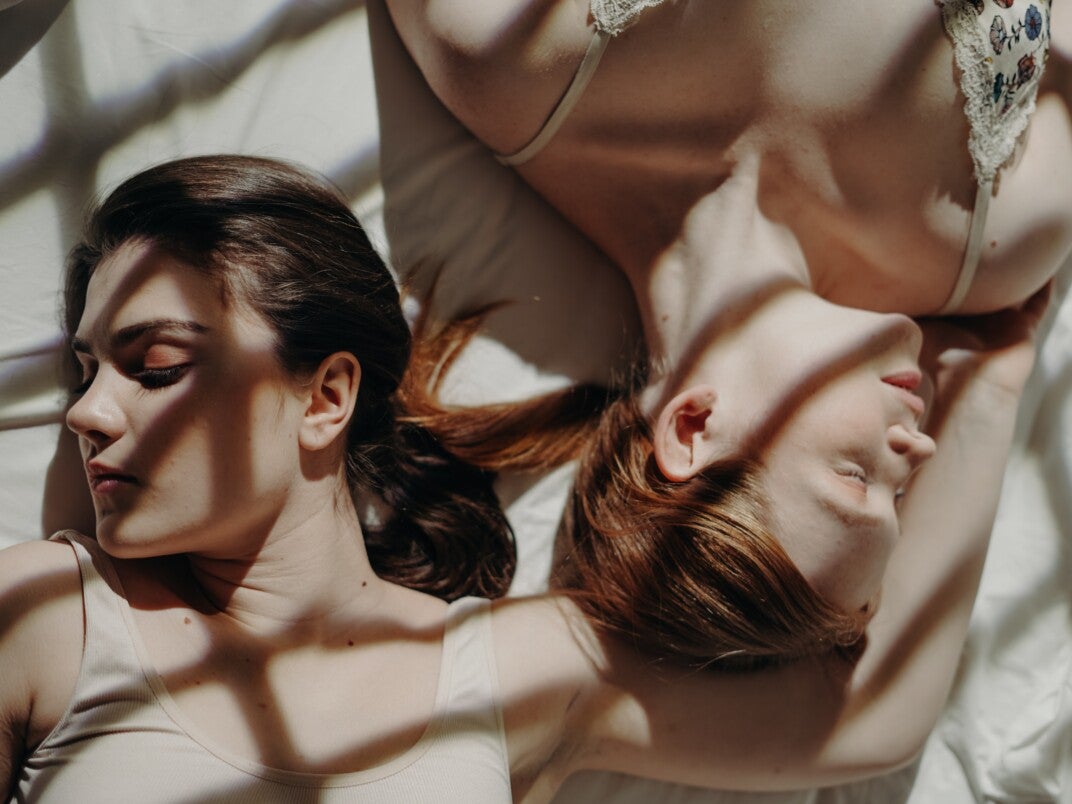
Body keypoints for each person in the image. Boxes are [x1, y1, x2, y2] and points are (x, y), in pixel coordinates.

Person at [0, 155, 1047, 802]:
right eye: (85, 373)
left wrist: (993, 383)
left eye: (152, 368)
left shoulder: (507, 671)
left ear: (325, 396)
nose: (87, 412)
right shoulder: (49, 617)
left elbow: (862, 720)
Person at [383, 0, 1071, 662]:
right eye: (899, 498)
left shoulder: (497, 52)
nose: (920, 450)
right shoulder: (998, 245)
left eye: (856, 478)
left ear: (693, 428)